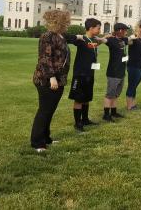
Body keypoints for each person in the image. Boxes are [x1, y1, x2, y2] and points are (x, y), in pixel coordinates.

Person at [31, 10, 83, 152]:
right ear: (58, 22)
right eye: (66, 21)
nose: (68, 24)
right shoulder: (47, 37)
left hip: (59, 79)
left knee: (50, 110)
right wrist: (52, 77)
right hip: (46, 80)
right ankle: (37, 142)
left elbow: (71, 37)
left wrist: (81, 37)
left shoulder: (60, 35)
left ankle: (46, 138)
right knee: (44, 110)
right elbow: (45, 59)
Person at [68, 18, 102, 132]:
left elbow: (101, 41)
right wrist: (77, 36)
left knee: (87, 97)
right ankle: (78, 123)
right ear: (91, 28)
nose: (99, 30)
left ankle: (85, 119)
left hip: (90, 73)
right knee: (78, 99)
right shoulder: (82, 39)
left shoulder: (94, 40)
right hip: (80, 74)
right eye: (98, 28)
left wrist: (104, 38)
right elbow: (67, 38)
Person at [102, 23, 129, 121]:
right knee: (110, 94)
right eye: (125, 30)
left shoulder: (124, 40)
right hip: (113, 72)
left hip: (121, 71)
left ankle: (113, 112)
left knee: (116, 94)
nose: (126, 32)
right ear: (120, 30)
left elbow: (134, 38)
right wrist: (106, 36)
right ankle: (106, 114)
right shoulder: (111, 40)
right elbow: (101, 41)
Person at [126, 21, 141, 110]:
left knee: (135, 85)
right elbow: (127, 41)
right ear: (140, 29)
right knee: (132, 85)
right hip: (134, 66)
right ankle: (129, 106)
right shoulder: (135, 38)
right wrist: (131, 37)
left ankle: (133, 104)